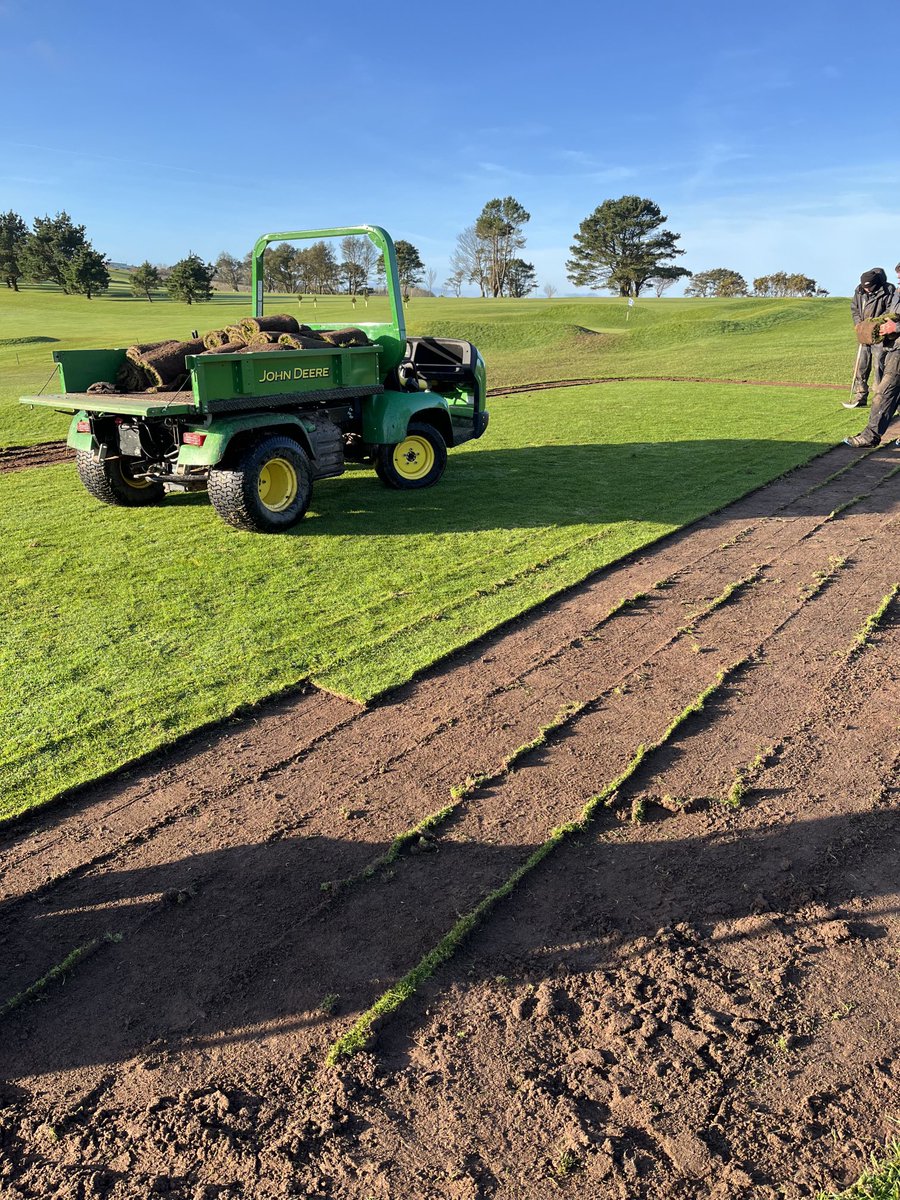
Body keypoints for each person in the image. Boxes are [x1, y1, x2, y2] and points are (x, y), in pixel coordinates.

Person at [844, 315, 900, 445]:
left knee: (884, 393)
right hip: (894, 349)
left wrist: (895, 327)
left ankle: (870, 436)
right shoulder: (894, 294)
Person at [846, 267, 896, 408]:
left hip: (880, 335)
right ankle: (860, 396)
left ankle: (880, 399)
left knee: (879, 364)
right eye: (865, 287)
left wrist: (875, 324)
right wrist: (859, 325)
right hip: (863, 333)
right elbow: (855, 309)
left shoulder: (888, 290)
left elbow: (890, 311)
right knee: (861, 365)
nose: (867, 290)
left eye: (870, 287)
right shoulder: (859, 291)